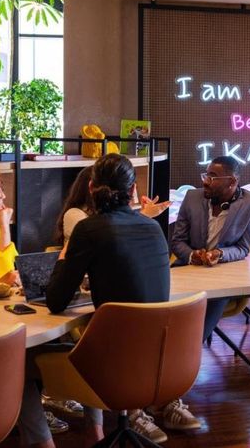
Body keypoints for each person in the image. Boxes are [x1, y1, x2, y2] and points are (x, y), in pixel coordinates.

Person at [41, 165, 174, 438]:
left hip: (110, 363)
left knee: (26, 364)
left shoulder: (89, 229)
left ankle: (82, 438)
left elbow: (55, 301)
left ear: (91, 188)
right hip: (160, 359)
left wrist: (65, 254)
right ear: (133, 190)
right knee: (94, 341)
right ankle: (97, 434)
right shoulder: (153, 227)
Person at [169, 155, 250, 343]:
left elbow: (243, 248)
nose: (205, 181)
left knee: (200, 321)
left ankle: (187, 351)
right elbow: (177, 241)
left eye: (212, 177)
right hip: (187, 269)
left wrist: (220, 254)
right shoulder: (192, 197)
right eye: (206, 175)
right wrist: (192, 255)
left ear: (232, 182)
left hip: (223, 275)